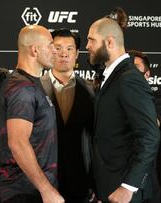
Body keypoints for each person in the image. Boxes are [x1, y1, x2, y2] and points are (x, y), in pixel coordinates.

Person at [86, 11, 161, 203]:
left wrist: (129, 187)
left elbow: (150, 135)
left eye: (91, 40)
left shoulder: (128, 79)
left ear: (110, 42)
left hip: (125, 192)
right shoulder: (112, 75)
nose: (87, 46)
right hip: (109, 186)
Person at [0, 25, 64, 203]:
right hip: (25, 192)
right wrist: (46, 189)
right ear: (35, 50)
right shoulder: (23, 88)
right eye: (50, 45)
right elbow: (17, 143)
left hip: (33, 190)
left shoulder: (30, 83)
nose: (55, 51)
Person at [40, 28, 94, 203]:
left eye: (69, 49)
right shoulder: (34, 88)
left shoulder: (91, 90)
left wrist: (96, 181)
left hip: (80, 183)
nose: (64, 54)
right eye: (58, 48)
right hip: (43, 183)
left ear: (77, 53)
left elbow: (97, 139)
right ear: (49, 50)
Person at [128, 50, 161, 203]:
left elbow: (150, 127)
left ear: (147, 74)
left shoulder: (159, 104)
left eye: (136, 67)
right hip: (116, 181)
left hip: (147, 185)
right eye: (127, 68)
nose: (131, 72)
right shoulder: (111, 102)